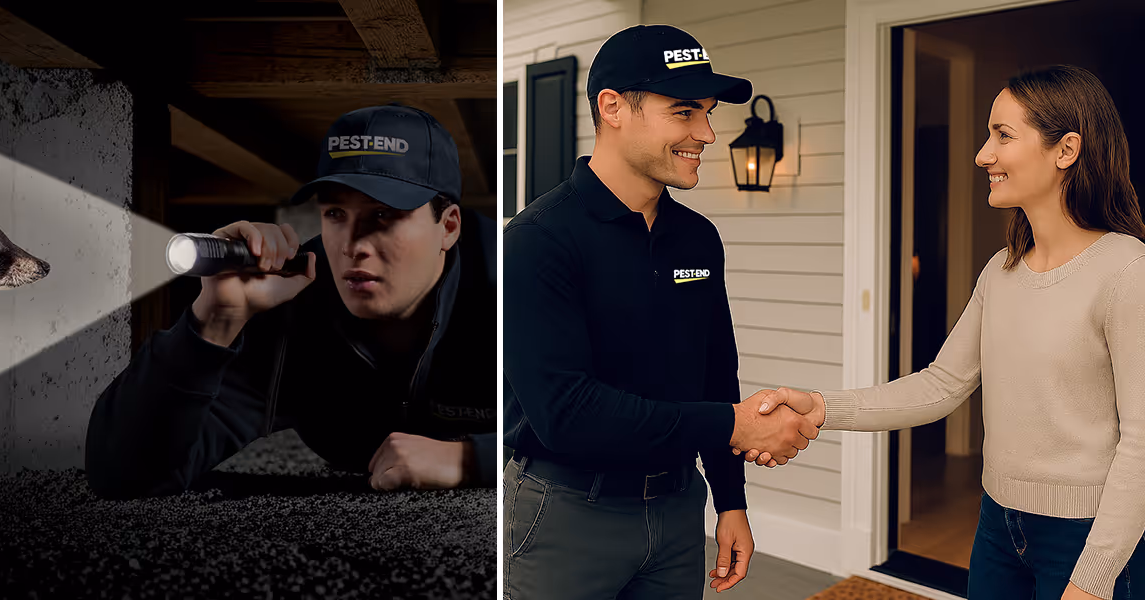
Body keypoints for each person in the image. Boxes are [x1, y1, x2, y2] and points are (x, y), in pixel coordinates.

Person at [747, 65, 1145, 600]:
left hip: (1087, 537)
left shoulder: (1126, 270)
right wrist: (822, 407)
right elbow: (940, 385)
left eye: (1003, 136)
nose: (983, 154)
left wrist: (1093, 580)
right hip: (997, 526)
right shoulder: (1001, 270)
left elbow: (1142, 443)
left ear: (1066, 149)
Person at [500, 24, 823, 599]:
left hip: (678, 511)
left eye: (706, 113)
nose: (706, 132)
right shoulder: (537, 238)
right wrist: (734, 424)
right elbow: (566, 413)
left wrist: (730, 501)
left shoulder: (698, 238)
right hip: (567, 514)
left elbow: (715, 377)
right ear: (614, 107)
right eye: (683, 112)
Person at [85, 104, 497, 499]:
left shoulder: (512, 285)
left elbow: (562, 429)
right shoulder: (293, 307)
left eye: (383, 215)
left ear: (449, 227)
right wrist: (215, 320)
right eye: (336, 214)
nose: (353, 246)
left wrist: (470, 458)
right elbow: (123, 476)